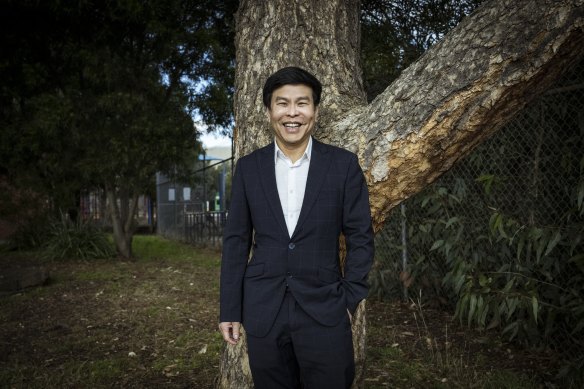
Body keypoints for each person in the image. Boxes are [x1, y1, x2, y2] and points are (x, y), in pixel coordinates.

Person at [219, 66, 374, 389]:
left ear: (315, 110)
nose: (292, 113)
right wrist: (230, 309)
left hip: (325, 310)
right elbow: (236, 242)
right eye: (282, 103)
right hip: (264, 310)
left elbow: (361, 237)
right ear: (269, 111)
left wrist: (349, 300)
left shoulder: (343, 165)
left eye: (302, 103)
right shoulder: (249, 169)